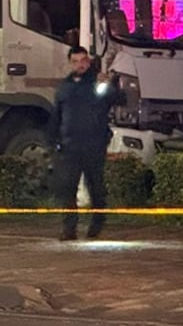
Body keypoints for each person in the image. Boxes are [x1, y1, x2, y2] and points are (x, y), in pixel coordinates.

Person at [49, 46, 120, 241]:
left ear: (88, 62)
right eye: (76, 61)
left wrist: (109, 84)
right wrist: (54, 141)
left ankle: (97, 222)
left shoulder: (97, 83)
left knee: (95, 185)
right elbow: (57, 115)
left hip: (94, 145)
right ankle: (69, 228)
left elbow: (117, 99)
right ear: (70, 63)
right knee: (68, 187)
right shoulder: (65, 87)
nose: (80, 64)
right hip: (70, 145)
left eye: (83, 60)